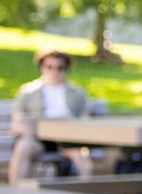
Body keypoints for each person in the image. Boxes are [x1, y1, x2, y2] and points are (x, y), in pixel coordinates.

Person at [8, 49, 93, 185]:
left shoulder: (77, 93)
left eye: (60, 67)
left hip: (68, 138)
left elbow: (85, 120)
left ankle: (87, 193)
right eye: (50, 67)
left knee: (82, 154)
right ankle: (16, 193)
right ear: (42, 67)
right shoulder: (28, 92)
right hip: (37, 138)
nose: (55, 71)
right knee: (23, 147)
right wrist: (35, 131)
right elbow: (16, 123)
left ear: (67, 69)